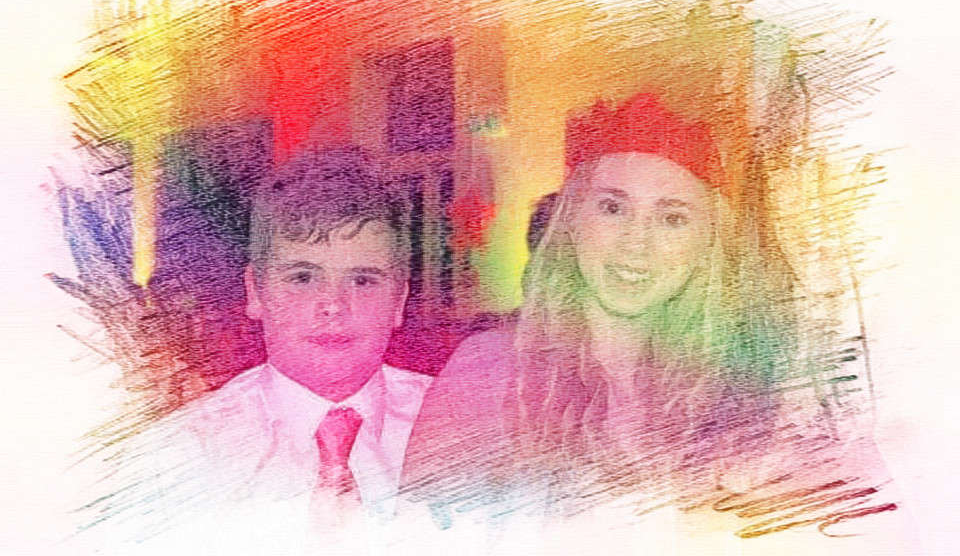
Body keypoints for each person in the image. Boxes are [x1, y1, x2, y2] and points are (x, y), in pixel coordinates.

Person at [402, 94, 913, 552]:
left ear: (707, 242)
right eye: (612, 208)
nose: (637, 243)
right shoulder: (492, 370)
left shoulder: (740, 387)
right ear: (571, 221)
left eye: (672, 218)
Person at [77, 146, 432, 553]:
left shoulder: (460, 428)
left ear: (399, 301)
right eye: (303, 277)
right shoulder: (178, 455)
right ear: (255, 292)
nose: (333, 305)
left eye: (363, 280)